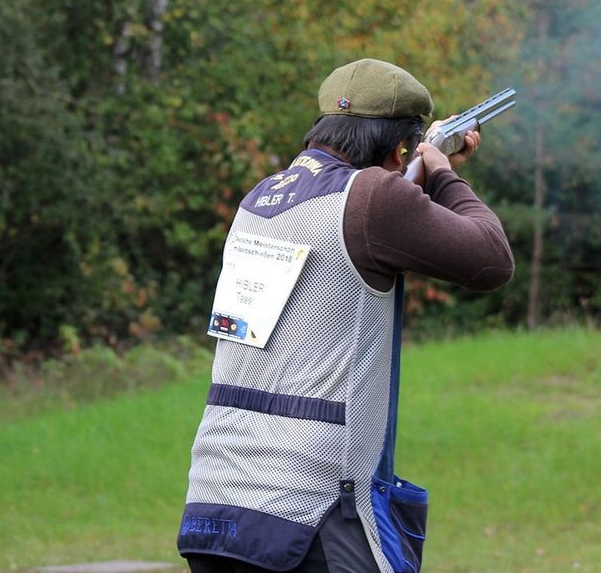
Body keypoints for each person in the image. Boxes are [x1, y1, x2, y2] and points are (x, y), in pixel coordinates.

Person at [177, 58, 514, 573]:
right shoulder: (376, 197)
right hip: (312, 509)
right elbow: (491, 258)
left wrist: (412, 176)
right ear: (400, 148)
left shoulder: (259, 198)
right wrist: (442, 175)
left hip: (218, 501)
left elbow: (356, 228)